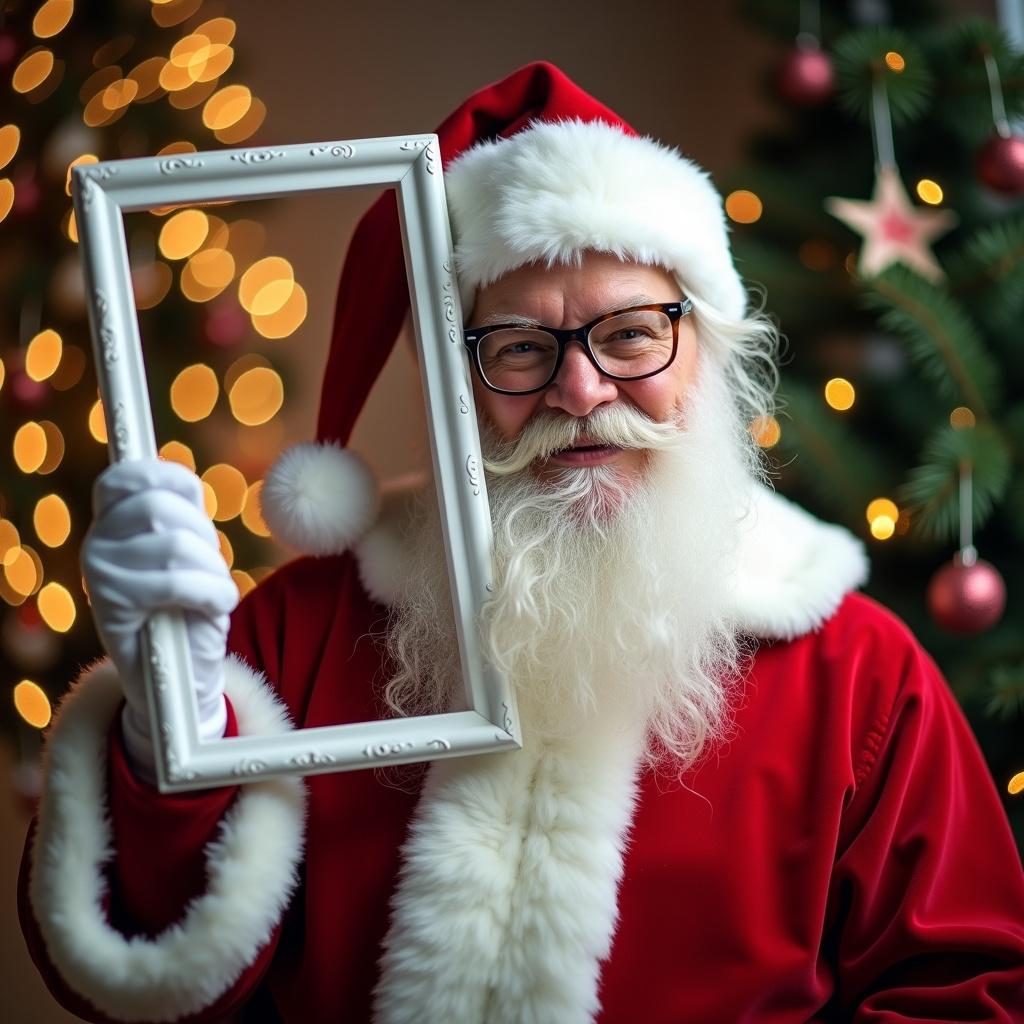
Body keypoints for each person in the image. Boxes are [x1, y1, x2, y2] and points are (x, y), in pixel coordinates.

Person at [19, 62, 1024, 1024]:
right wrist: (169, 730)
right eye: (518, 348)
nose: (579, 392)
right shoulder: (291, 633)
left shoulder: (856, 670)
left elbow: (967, 988)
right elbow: (150, 973)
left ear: (703, 353)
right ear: (458, 384)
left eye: (630, 335)